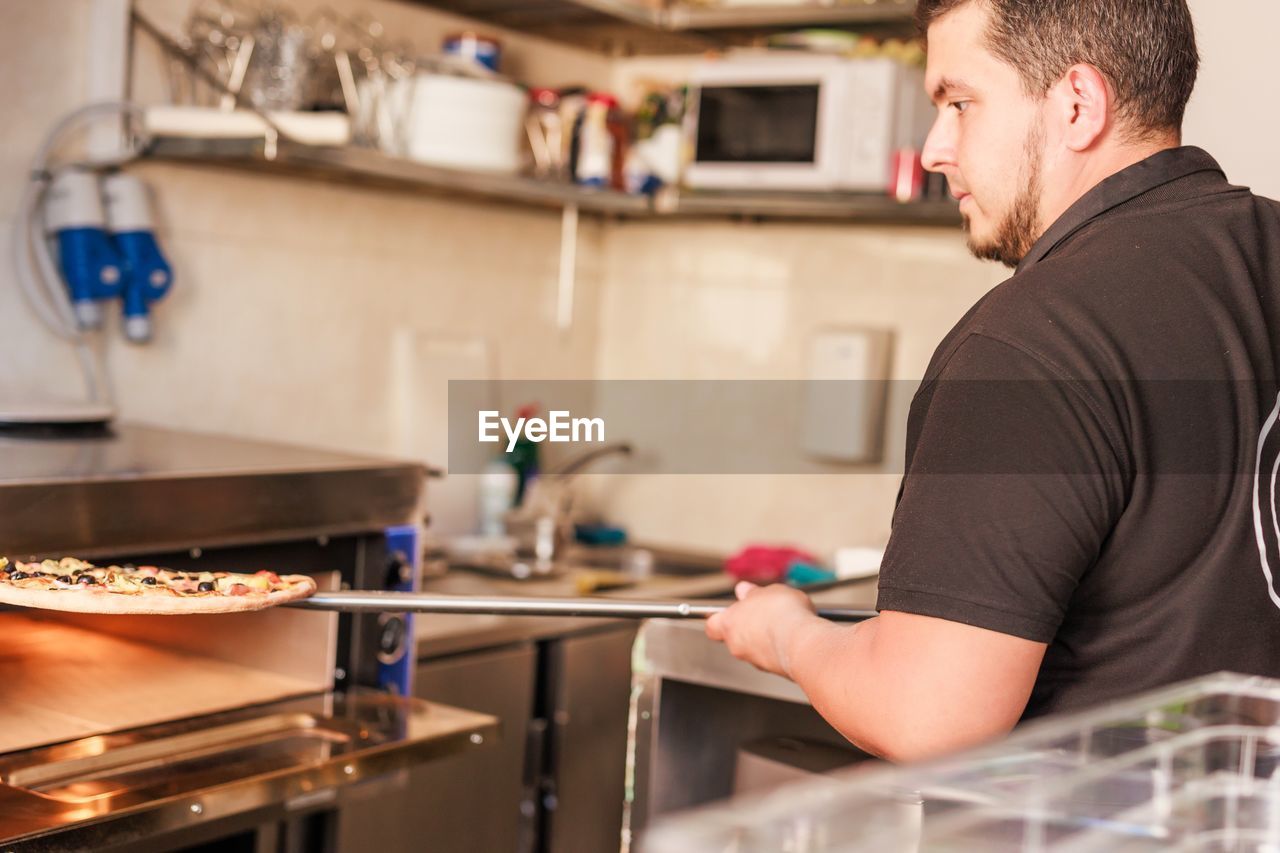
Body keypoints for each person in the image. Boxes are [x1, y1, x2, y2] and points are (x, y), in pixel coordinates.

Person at [706, 0, 1280, 762]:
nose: (936, 148)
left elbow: (927, 712)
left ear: (1077, 104)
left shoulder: (1028, 342)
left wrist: (788, 634)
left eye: (959, 103)